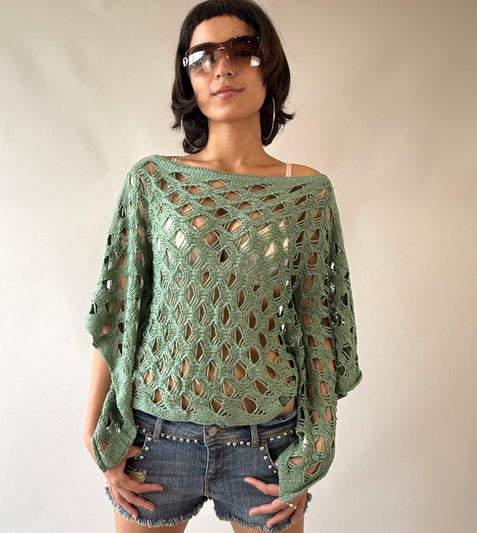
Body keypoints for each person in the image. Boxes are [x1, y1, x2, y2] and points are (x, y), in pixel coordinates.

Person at [83, 1, 363, 532]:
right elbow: (120, 313)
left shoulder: (307, 193)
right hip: (155, 438)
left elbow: (317, 329)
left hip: (266, 443)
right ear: (188, 79)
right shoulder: (153, 183)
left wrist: (314, 449)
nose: (222, 68)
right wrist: (95, 433)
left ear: (269, 67)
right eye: (203, 57)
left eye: (241, 51)